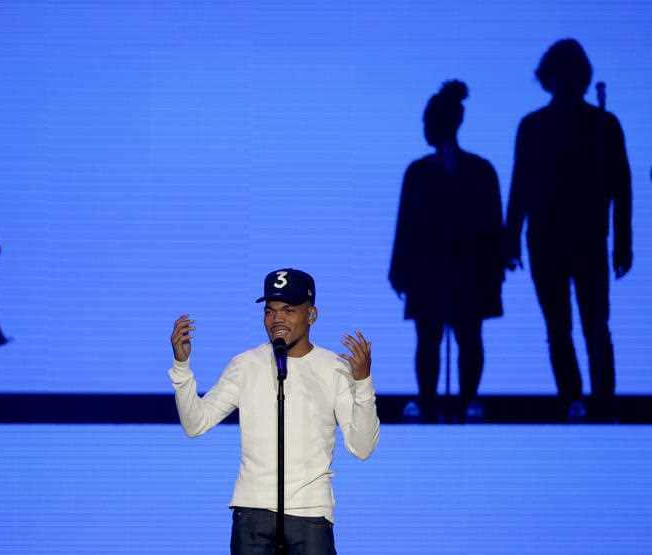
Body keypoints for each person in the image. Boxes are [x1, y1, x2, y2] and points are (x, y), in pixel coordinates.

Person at [169, 268, 379, 554]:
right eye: (270, 311)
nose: (277, 319)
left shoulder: (335, 369)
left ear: (312, 315)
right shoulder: (245, 364)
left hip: (310, 515)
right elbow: (196, 423)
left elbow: (362, 447)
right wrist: (182, 367)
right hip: (253, 513)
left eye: (288, 310)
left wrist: (363, 383)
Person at [506, 39, 632, 421]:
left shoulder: (603, 125)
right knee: (561, 326)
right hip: (548, 240)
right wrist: (512, 237)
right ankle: (574, 399)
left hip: (586, 239)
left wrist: (623, 242)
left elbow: (620, 187)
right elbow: (521, 186)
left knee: (594, 325)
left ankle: (600, 400)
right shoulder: (536, 126)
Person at [389, 80, 504, 423]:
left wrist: (400, 268)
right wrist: (400, 268)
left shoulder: (468, 171)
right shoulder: (459, 170)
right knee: (434, 338)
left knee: (461, 338)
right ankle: (432, 399)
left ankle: (458, 399)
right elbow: (405, 225)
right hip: (437, 270)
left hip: (459, 269)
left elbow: (491, 224)